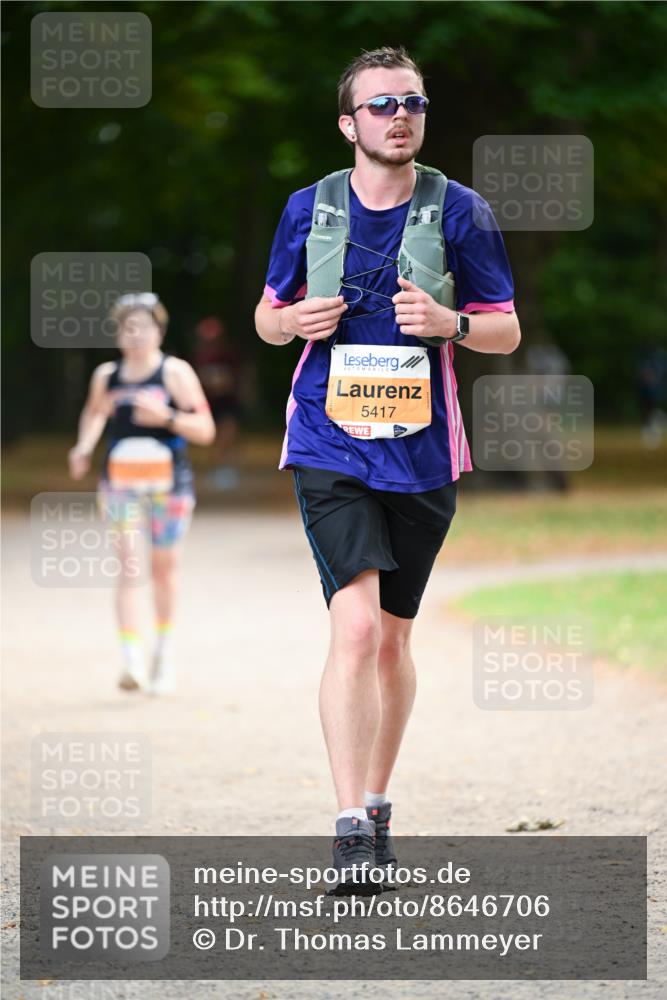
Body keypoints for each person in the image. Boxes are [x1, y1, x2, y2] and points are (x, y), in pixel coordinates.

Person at [255, 46, 520, 893]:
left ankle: (375, 802)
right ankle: (345, 832)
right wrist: (295, 318)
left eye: (412, 101)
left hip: (424, 448)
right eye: (380, 105)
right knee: (358, 629)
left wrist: (449, 322)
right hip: (328, 441)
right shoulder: (308, 207)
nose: (399, 114)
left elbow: (503, 329)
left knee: (396, 636)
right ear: (348, 123)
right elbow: (265, 319)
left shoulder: (463, 210)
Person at [68, 293, 216, 694]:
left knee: (163, 569)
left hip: (169, 487)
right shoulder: (107, 376)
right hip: (119, 485)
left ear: (159, 332)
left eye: (143, 327)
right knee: (129, 566)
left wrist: (165, 417)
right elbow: (95, 412)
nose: (134, 335)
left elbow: (206, 430)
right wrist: (83, 447)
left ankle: (163, 655)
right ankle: (130, 658)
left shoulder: (175, 374)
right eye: (126, 328)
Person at [193, 316, 245, 489]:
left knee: (227, 435)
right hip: (207, 403)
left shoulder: (228, 354)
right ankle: (214, 467)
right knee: (209, 437)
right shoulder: (198, 356)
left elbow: (236, 378)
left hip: (228, 401)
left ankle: (226, 468)